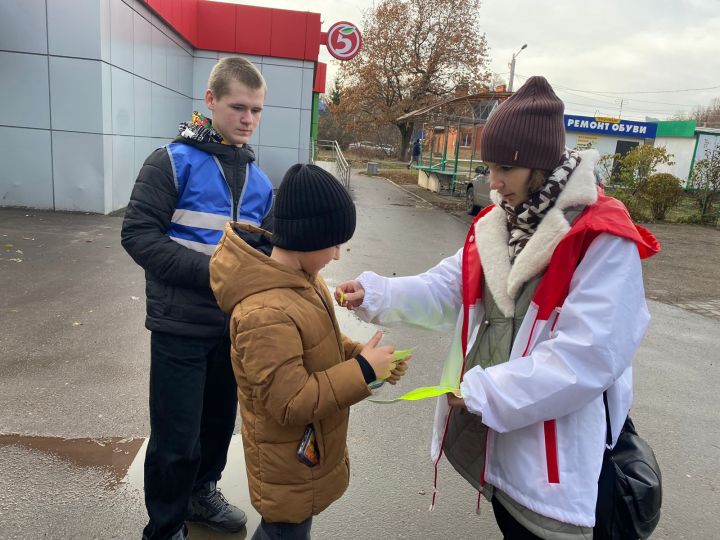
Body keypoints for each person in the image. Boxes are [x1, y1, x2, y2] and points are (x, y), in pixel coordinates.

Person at [335, 76, 660, 539]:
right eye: (489, 166)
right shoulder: (497, 225)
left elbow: (590, 356)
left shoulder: (602, 238)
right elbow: (449, 288)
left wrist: (486, 392)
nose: (494, 182)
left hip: (557, 457)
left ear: (540, 164)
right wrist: (378, 294)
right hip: (501, 436)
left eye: (505, 167)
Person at [209, 163, 409, 540]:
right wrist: (364, 371)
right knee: (284, 532)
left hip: (303, 457)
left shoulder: (304, 281)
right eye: (334, 243)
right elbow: (290, 401)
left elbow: (319, 348)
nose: (337, 255)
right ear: (308, 237)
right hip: (286, 463)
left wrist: (359, 355)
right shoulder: (265, 312)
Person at [121, 57, 274, 540]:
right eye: (237, 107)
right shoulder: (170, 161)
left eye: (256, 110)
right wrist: (216, 273)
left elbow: (266, 249)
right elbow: (138, 235)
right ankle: (165, 528)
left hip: (231, 330)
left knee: (215, 430)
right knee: (175, 439)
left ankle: (200, 495)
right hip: (178, 328)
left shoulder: (261, 180)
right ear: (210, 102)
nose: (247, 119)